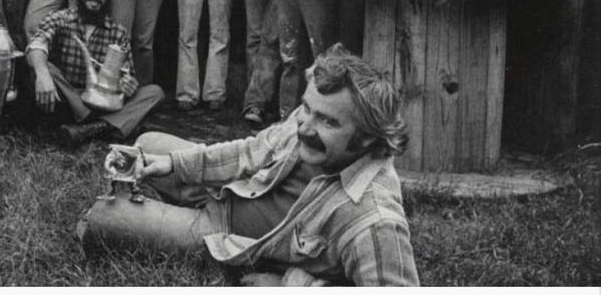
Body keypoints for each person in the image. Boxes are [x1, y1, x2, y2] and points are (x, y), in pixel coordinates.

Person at [77, 43, 419, 286]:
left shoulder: (374, 221)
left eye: (328, 122)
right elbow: (248, 153)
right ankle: (161, 197)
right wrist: (172, 164)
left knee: (101, 219)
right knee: (146, 145)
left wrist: (293, 283)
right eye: (306, 108)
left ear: (366, 138)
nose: (305, 127)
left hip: (222, 233)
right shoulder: (305, 120)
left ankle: (157, 212)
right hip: (230, 190)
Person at [26, 0, 164, 147]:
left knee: (155, 93)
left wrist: (126, 85)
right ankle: (109, 125)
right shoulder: (60, 18)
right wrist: (43, 75)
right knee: (42, 67)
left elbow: (126, 75)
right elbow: (37, 43)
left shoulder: (117, 32)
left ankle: (90, 129)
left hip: (102, 102)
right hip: (66, 98)